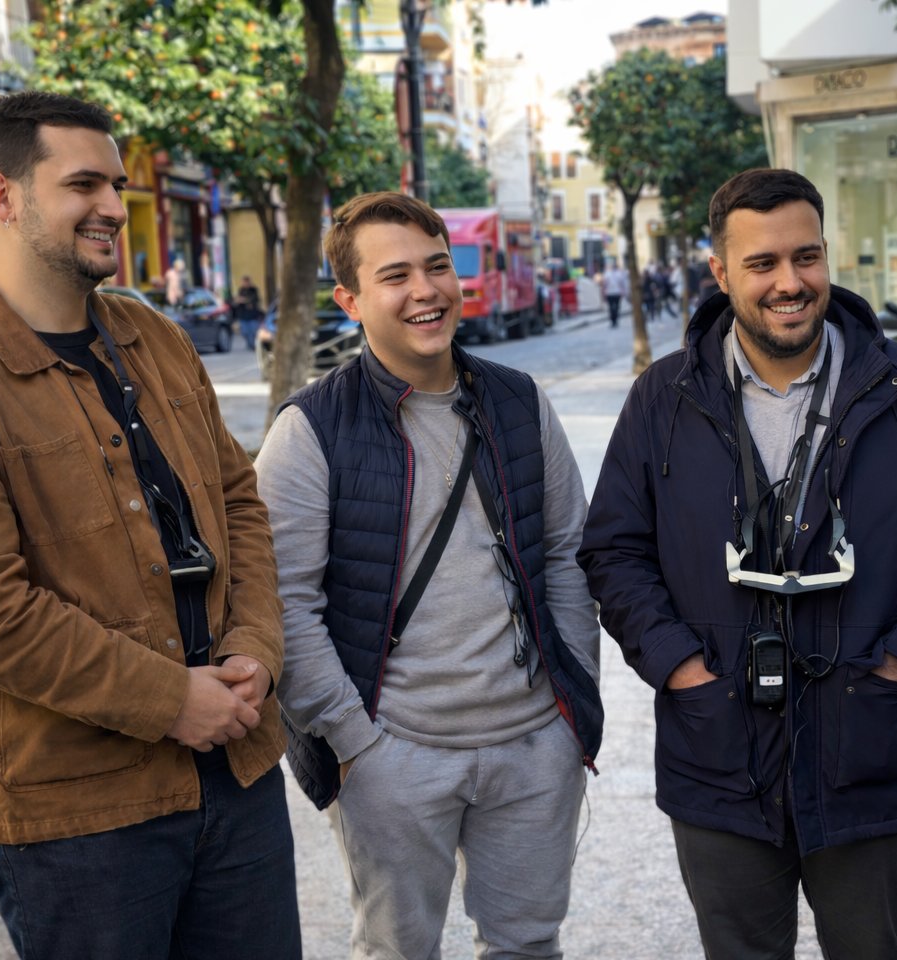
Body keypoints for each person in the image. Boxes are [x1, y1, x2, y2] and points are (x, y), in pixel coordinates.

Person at [0, 91, 298, 958]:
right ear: (3, 196)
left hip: (238, 767)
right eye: (84, 185)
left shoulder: (155, 336)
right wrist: (168, 699)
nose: (113, 205)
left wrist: (254, 646)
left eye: (114, 183)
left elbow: (239, 504)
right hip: (76, 815)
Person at [579, 168, 897, 959]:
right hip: (718, 761)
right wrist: (680, 669)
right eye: (762, 264)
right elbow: (613, 549)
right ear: (719, 273)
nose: (790, 283)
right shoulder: (661, 398)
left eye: (806, 257)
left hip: (866, 755)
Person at [254, 191, 603, 960]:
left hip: (533, 745)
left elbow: (568, 558)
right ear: (350, 300)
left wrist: (570, 712)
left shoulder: (519, 401)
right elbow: (284, 604)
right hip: (393, 753)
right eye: (396, 275)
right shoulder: (310, 429)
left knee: (527, 944)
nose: (426, 291)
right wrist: (356, 745)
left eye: (438, 266)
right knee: (395, 952)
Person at [235, 274, 263, 347]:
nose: (245, 284)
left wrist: (244, 300)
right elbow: (238, 300)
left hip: (252, 315)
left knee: (253, 332)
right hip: (243, 315)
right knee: (244, 332)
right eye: (243, 282)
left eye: (246, 282)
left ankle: (252, 345)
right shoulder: (241, 290)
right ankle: (249, 343)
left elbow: (255, 299)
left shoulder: (253, 290)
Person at [602, 258, 629, 327]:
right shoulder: (609, 274)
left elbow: (622, 284)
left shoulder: (611, 274)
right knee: (614, 307)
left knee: (614, 307)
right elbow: (605, 284)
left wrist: (604, 292)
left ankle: (614, 320)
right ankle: (613, 320)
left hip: (614, 293)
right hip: (612, 293)